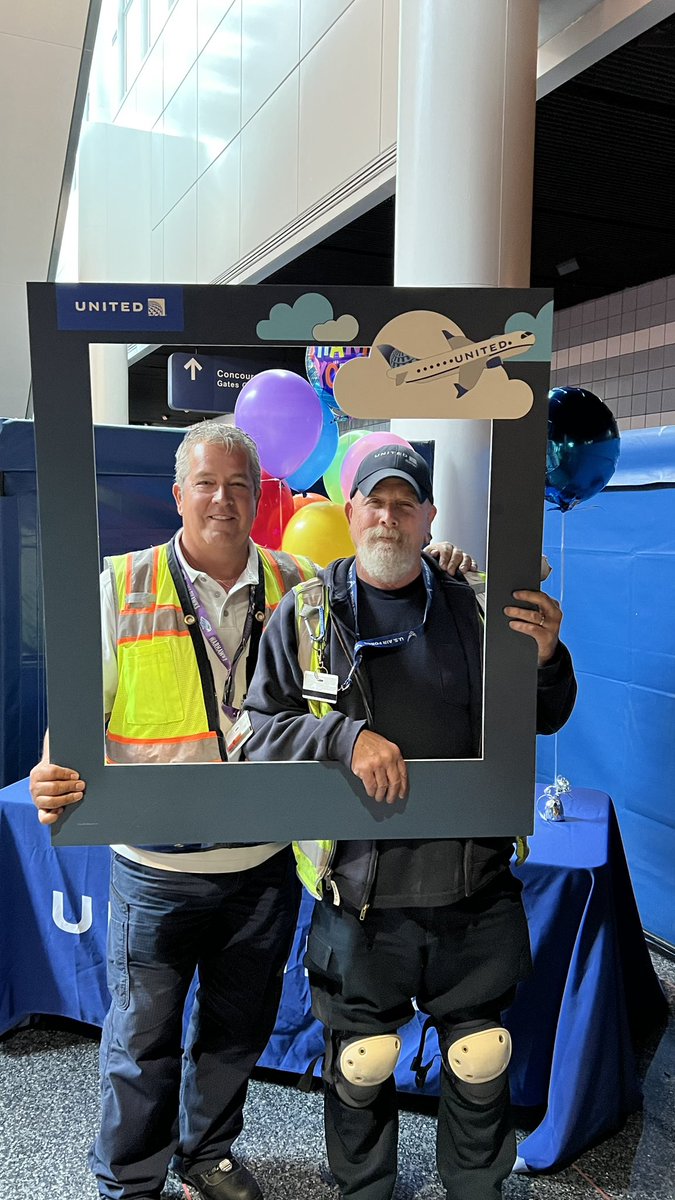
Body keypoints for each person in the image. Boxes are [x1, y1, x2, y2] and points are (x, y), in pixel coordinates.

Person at [29, 421, 472, 1200]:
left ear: (260, 496)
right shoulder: (120, 585)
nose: (222, 500)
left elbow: (381, 573)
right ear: (177, 495)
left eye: (239, 485)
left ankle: (207, 1153)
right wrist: (51, 769)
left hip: (264, 859)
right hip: (157, 861)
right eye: (205, 483)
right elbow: (72, 714)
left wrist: (440, 565)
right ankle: (130, 1178)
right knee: (142, 1037)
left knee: (238, 1027)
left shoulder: (300, 583)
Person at [242, 444, 577, 1200]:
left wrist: (548, 657)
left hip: (472, 884)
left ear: (428, 518)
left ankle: (474, 1188)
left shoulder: (479, 605)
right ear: (348, 511)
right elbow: (257, 733)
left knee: (480, 1056)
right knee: (360, 1062)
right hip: (358, 892)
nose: (387, 517)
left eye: (404, 504)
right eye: (373, 502)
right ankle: (364, 1190)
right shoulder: (306, 615)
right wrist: (343, 735)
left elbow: (546, 714)